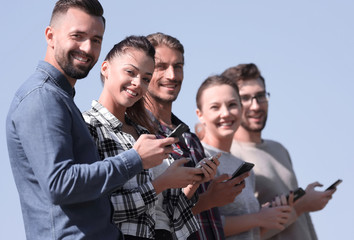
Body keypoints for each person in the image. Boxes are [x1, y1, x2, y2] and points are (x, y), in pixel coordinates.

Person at [6, 1, 176, 240]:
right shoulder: (42, 97)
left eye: (96, 40)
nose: (87, 48)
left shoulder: (60, 98)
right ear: (50, 35)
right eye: (77, 36)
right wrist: (135, 159)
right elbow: (60, 184)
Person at [83, 35, 214, 240]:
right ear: (105, 68)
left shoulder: (144, 133)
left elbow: (164, 214)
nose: (137, 83)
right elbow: (97, 208)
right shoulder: (88, 126)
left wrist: (192, 181)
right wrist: (161, 183)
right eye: (130, 72)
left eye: (145, 78)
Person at [145, 32, 248, 240]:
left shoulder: (189, 138)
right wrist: (209, 200)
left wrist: (216, 193)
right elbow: (146, 215)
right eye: (161, 67)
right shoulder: (140, 136)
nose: (172, 75)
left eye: (178, 66)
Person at [222, 63, 335, 239]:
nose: (256, 106)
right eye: (245, 98)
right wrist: (302, 206)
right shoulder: (230, 157)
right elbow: (247, 233)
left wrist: (302, 202)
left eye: (260, 96)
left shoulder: (279, 149)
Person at [195, 75, 292, 239]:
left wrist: (265, 215)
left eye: (232, 105)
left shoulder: (242, 166)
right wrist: (259, 218)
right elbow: (199, 222)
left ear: (241, 108)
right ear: (200, 115)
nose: (225, 113)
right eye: (215, 107)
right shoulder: (200, 158)